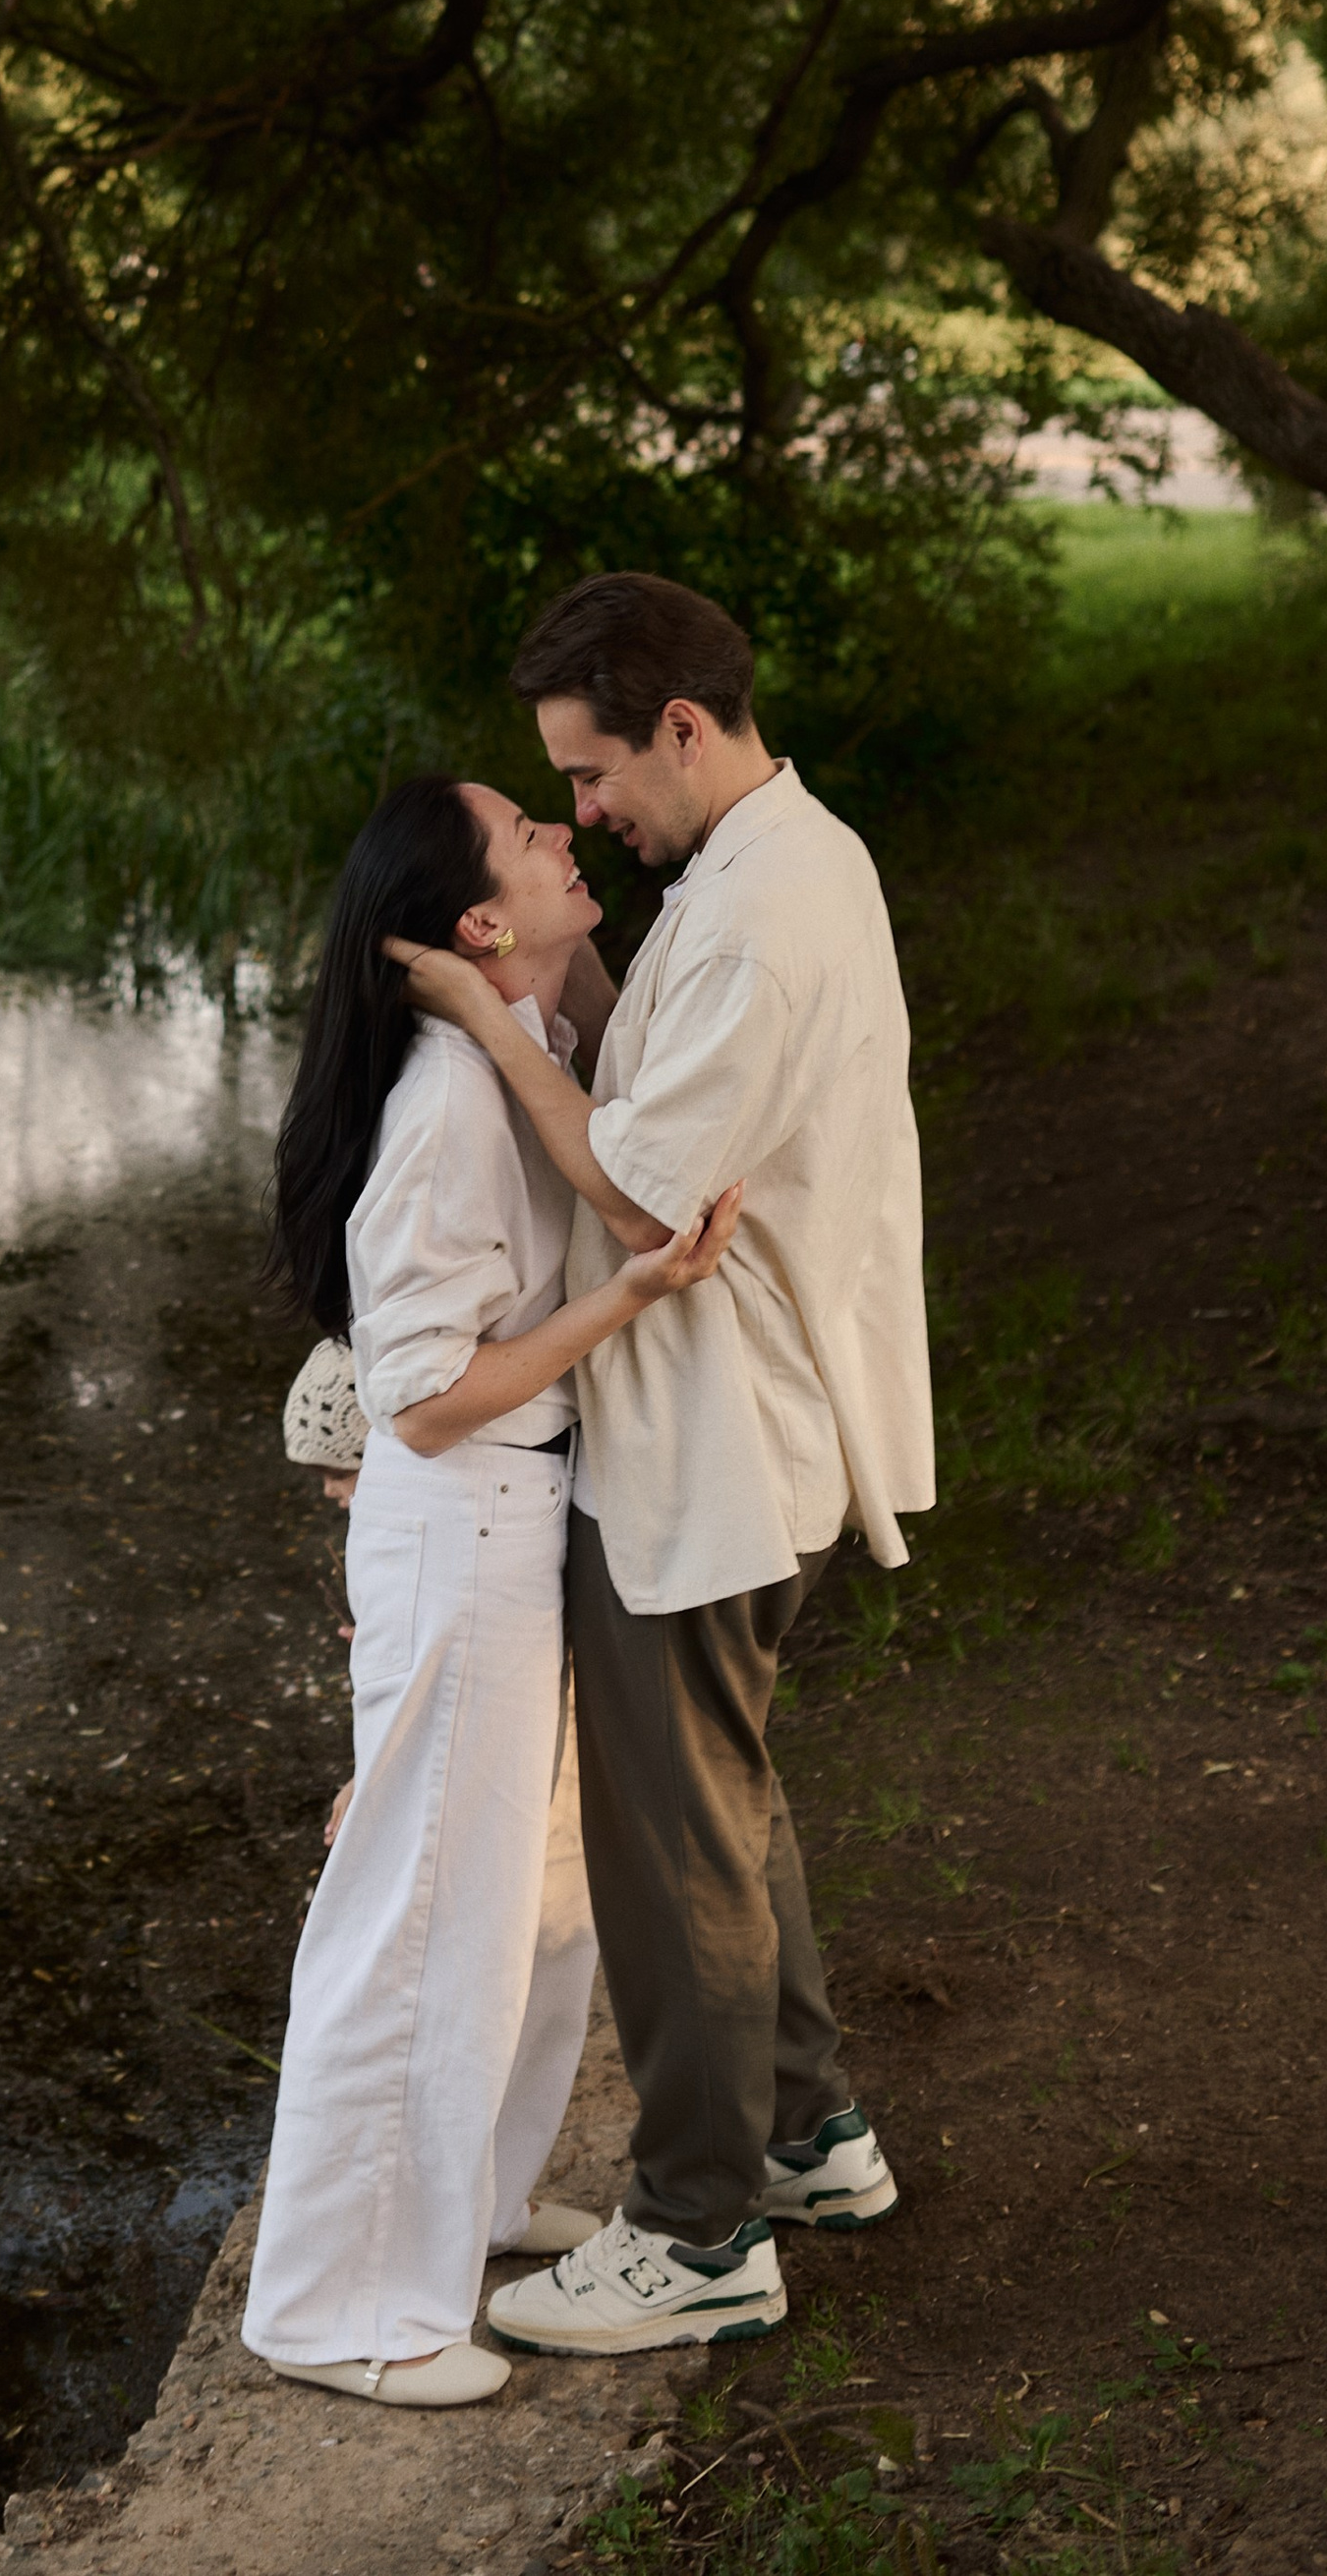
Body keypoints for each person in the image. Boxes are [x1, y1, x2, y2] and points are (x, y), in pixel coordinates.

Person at [386, 572, 933, 2360]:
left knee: (669, 1840)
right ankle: (814, 2134)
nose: (587, 810)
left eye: (595, 772)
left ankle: (696, 2228)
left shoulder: (771, 910)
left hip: (711, 1439)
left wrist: (480, 1021)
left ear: (680, 727)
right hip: (739, 1426)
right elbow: (647, 1067)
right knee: (728, 1794)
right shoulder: (760, 867)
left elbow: (631, 1187)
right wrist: (554, 970)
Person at [242, 771, 740, 2409]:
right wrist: (645, 1290)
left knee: (538, 1898)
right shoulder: (453, 1101)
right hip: (463, 1514)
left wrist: (494, 975)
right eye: (534, 832)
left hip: (519, 1520)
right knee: (421, 1912)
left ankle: (478, 2195)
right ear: (472, 917)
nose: (565, 832)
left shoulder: (518, 1055)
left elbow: (587, 1028)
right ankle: (336, 2305)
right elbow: (426, 1395)